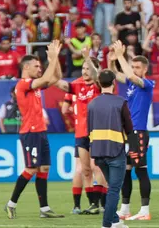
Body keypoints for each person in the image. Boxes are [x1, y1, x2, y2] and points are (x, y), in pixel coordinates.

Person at [4, 40, 64, 219]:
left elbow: (56, 77)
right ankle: (11, 204)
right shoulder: (22, 84)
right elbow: (46, 78)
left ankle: (44, 209)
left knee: (44, 167)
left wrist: (56, 58)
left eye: (40, 65)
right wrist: (51, 58)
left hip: (40, 131)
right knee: (31, 168)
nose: (39, 68)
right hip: (29, 132)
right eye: (36, 66)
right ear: (27, 67)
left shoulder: (35, 85)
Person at [53, 57, 106, 215]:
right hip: (81, 132)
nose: (85, 71)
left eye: (88, 68)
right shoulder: (76, 85)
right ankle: (92, 204)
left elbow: (97, 77)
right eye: (83, 68)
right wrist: (54, 60)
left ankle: (101, 203)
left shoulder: (99, 85)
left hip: (98, 132)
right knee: (85, 170)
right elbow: (58, 82)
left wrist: (87, 58)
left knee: (97, 167)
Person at [110, 41, 155, 221]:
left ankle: (145, 210)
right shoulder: (131, 84)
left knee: (141, 170)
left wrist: (121, 56)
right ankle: (125, 209)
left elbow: (132, 76)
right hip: (128, 133)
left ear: (144, 69)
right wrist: (113, 60)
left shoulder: (147, 84)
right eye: (133, 66)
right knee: (126, 170)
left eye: (137, 67)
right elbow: (114, 74)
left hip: (139, 133)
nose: (134, 69)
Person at [88, 69, 134, 228]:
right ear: (114, 83)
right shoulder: (120, 102)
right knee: (114, 190)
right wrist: (134, 149)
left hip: (98, 153)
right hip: (115, 152)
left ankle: (114, 220)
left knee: (111, 187)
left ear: (99, 83)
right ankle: (106, 224)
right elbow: (129, 128)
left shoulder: (92, 104)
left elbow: (89, 130)